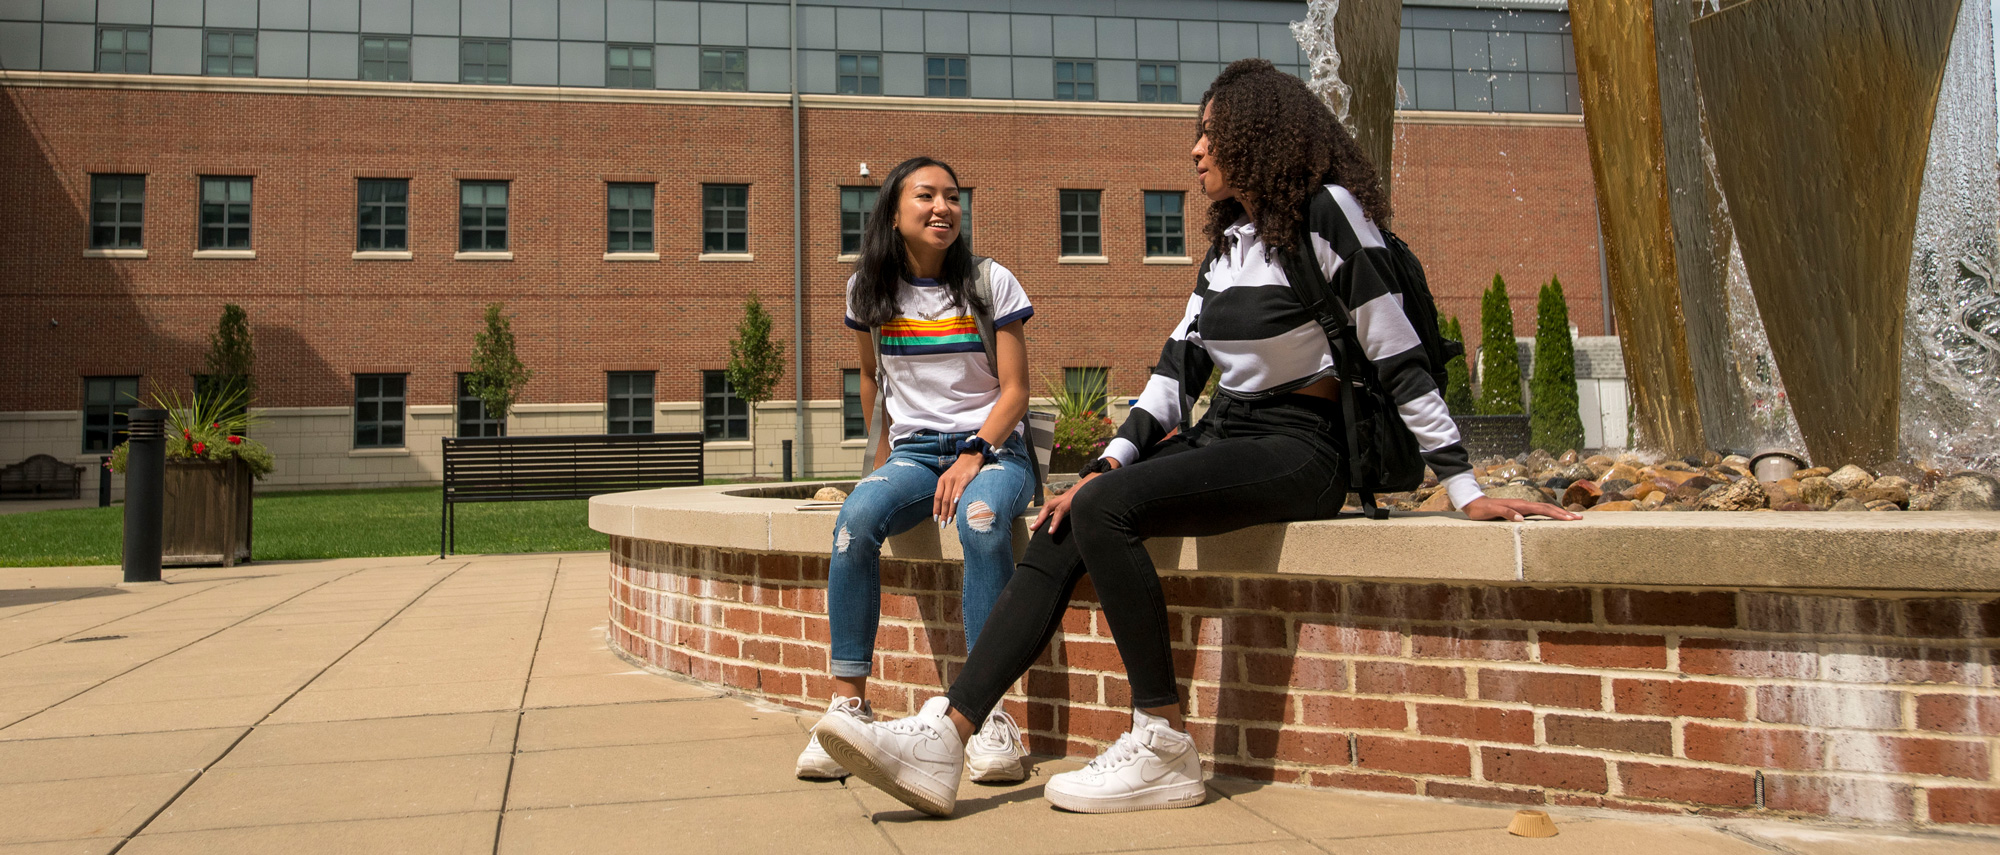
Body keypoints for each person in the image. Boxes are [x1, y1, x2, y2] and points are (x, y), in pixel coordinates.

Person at [811, 59, 1580, 817]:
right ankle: (948, 737)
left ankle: (1163, 739)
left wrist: (1466, 489)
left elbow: (1399, 355)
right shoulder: (1232, 243)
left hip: (1306, 446)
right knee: (1070, 515)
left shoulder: (1329, 212)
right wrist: (1102, 462)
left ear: (1256, 136)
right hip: (1231, 433)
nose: (1196, 150)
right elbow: (1175, 375)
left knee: (1109, 510)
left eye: (1209, 134)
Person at [795, 156, 1038, 785]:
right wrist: (878, 476)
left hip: (994, 449)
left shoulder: (990, 282)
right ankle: (848, 705)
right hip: (914, 454)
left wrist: (974, 454)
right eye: (926, 196)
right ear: (894, 213)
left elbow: (1015, 392)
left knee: (982, 521)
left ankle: (989, 721)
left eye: (953, 197)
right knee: (855, 521)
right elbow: (873, 383)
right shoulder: (867, 291)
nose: (943, 208)